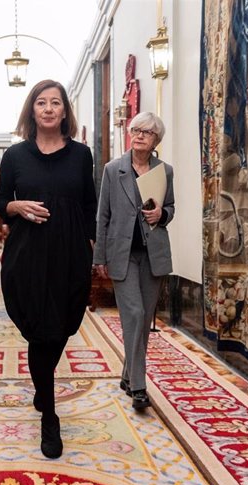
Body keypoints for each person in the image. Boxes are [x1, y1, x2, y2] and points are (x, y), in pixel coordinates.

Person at [0, 79, 97, 459]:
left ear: (65, 111)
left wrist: (91, 246)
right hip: (28, 254)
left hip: (70, 254)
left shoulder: (81, 155)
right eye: (41, 102)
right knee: (40, 332)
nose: (49, 108)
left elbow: (89, 204)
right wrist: (16, 208)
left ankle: (42, 383)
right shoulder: (15, 156)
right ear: (31, 110)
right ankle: (49, 414)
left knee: (61, 328)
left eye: (56, 102)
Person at [92, 112, 175, 411]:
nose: (139, 135)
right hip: (122, 255)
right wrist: (99, 256)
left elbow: (170, 207)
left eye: (147, 132)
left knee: (142, 320)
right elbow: (103, 216)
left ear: (156, 140)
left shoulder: (164, 171)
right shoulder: (114, 170)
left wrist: (161, 215)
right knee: (135, 314)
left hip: (153, 255)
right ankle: (139, 387)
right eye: (136, 130)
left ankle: (128, 375)